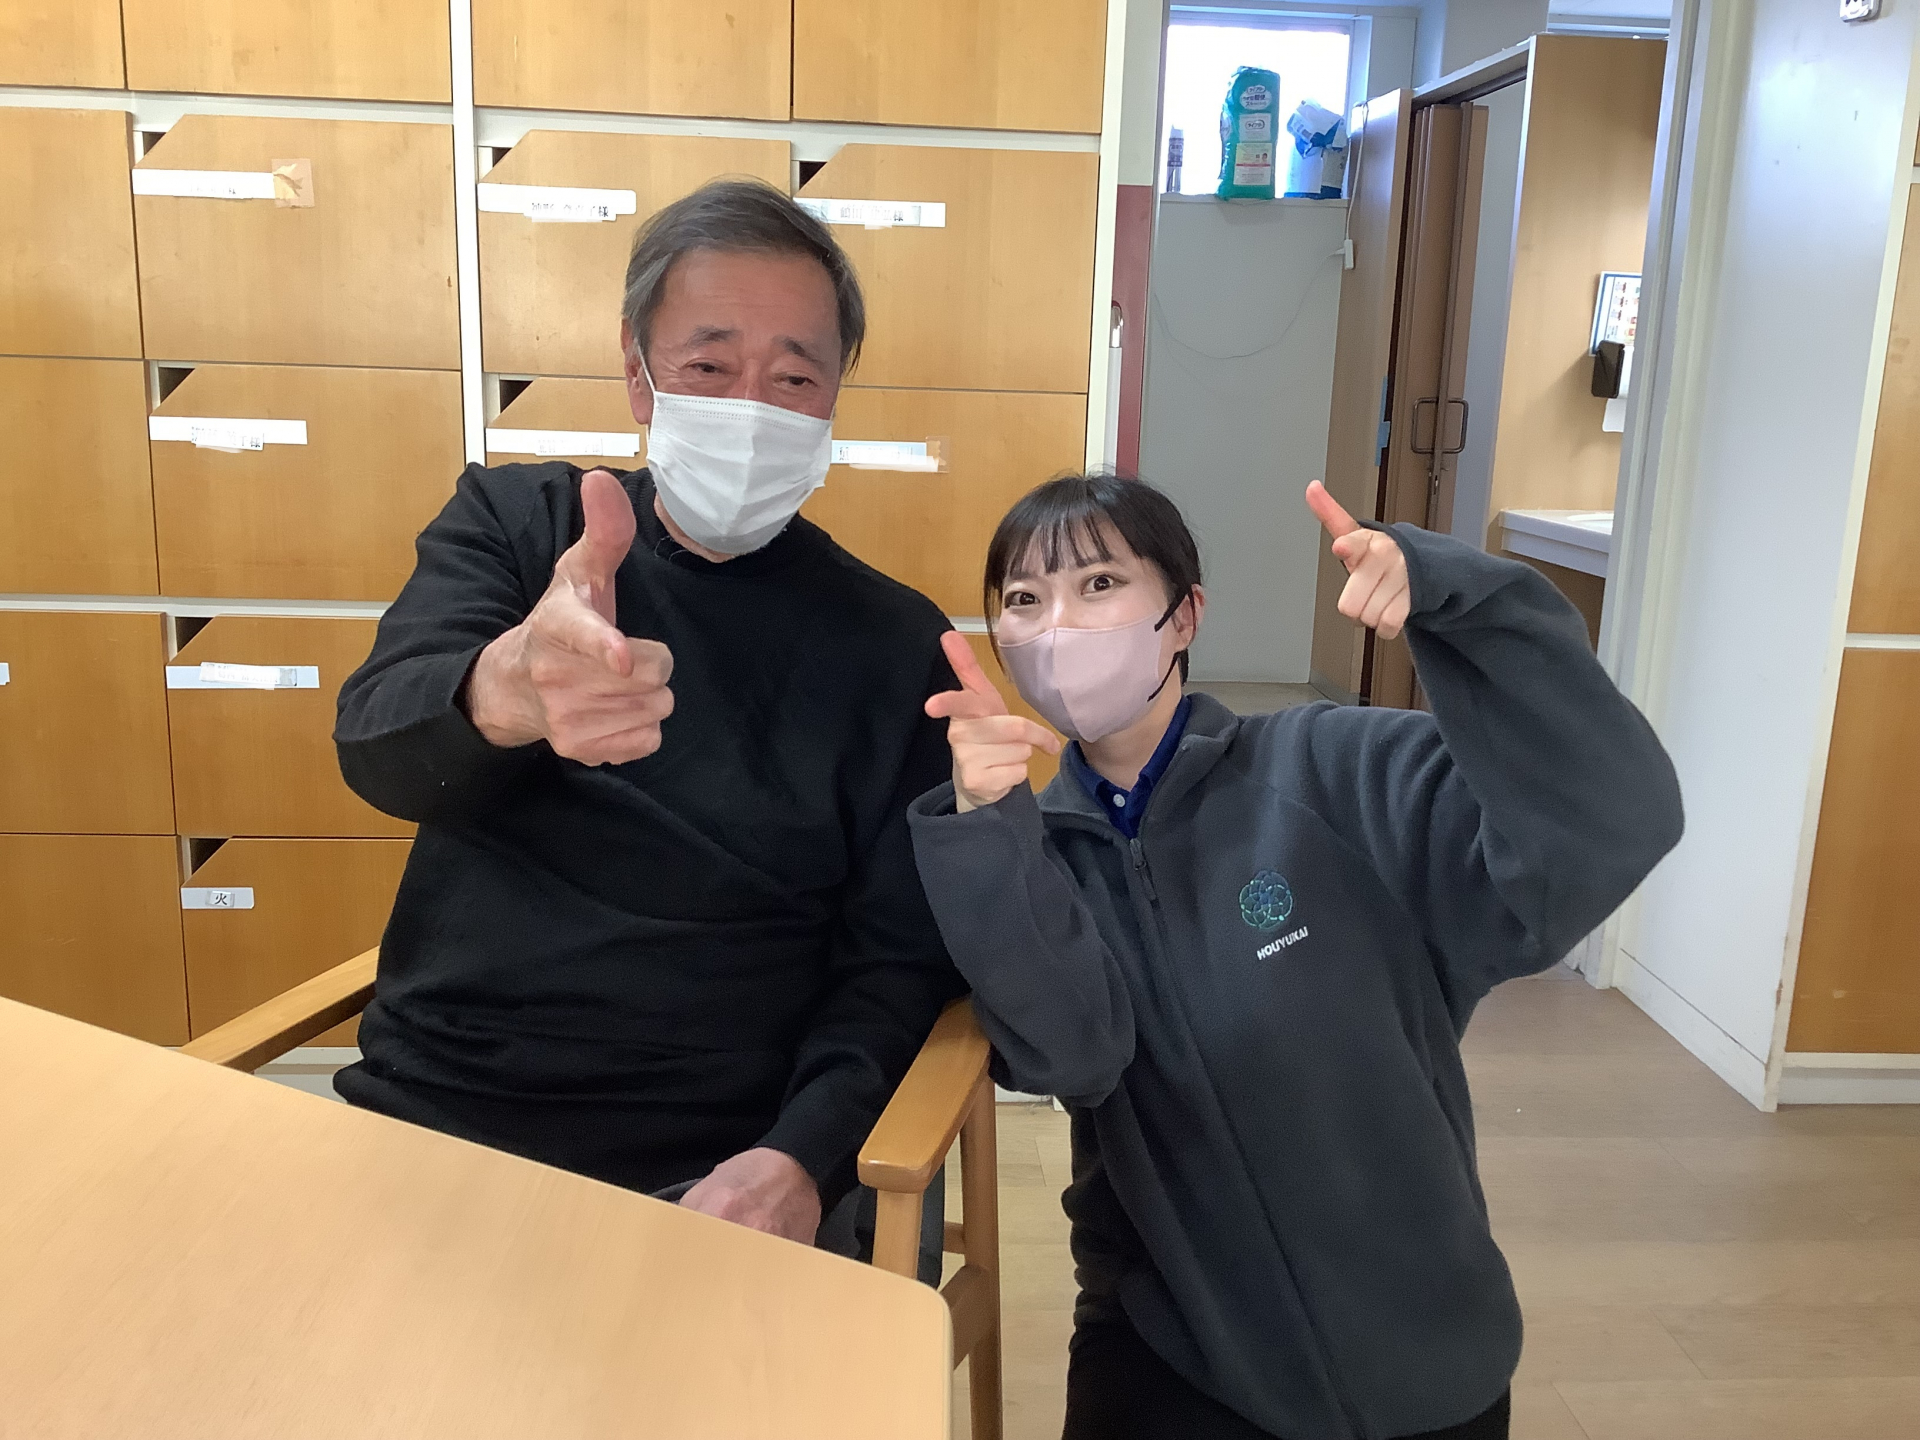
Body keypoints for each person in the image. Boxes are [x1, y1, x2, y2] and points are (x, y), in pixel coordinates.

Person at [906, 472, 1685, 1440]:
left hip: (1425, 1349)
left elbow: (1611, 825)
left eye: (1099, 583)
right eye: (1025, 600)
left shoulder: (1332, 770)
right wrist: (987, 828)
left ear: (1186, 616)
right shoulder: (1036, 851)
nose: (1058, 625)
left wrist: (1464, 605)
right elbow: (1073, 1056)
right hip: (1172, 1346)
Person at [331, 179, 962, 1256]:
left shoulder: (898, 644)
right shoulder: (518, 526)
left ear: (833, 400)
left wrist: (798, 1160)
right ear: (638, 373)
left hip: (717, 1172)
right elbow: (375, 752)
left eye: (795, 377)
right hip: (439, 1120)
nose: (753, 408)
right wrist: (508, 689)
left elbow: (896, 961)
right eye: (709, 368)